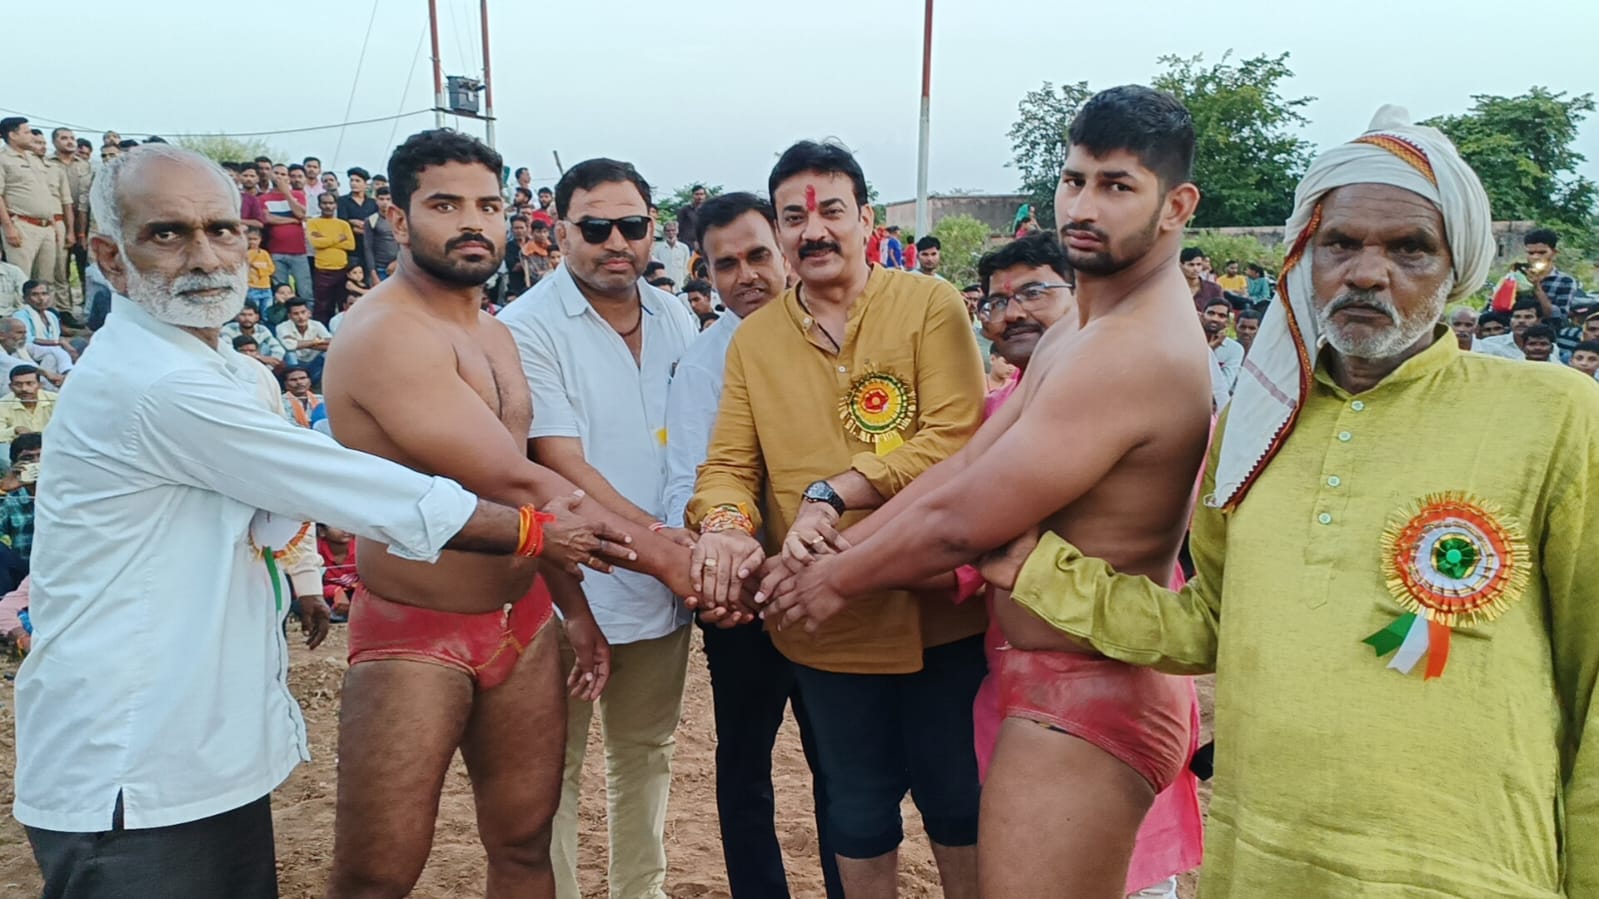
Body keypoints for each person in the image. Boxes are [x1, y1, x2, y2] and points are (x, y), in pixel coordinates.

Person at [982, 104, 1599, 897]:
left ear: (1457, 267)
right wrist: (1039, 571)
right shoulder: (1258, 421)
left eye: (1409, 247)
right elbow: (1209, 622)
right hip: (1263, 859)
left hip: (1464, 869)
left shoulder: (1553, 412)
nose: (1366, 272)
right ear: (1304, 255)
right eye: (1340, 243)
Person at [16, 142, 625, 899]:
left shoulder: (235, 373)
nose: (203, 255)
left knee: (523, 842)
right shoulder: (157, 384)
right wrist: (548, 535)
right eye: (166, 233)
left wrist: (306, 579)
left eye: (221, 229)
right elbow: (357, 488)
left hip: (205, 746)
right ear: (109, 256)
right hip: (131, 760)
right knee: (374, 876)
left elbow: (274, 515)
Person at [761, 86, 1213, 899]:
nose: (1083, 206)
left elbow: (960, 523)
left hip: (1089, 686)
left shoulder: (1135, 348)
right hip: (1047, 676)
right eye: (1074, 180)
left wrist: (829, 579)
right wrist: (836, 552)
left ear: (1176, 205)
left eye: (1116, 185)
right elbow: (963, 467)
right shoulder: (1084, 327)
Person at [319, 129, 700, 899]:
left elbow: (523, 505)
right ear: (396, 218)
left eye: (487, 205)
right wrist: (668, 556)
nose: (471, 222)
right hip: (416, 626)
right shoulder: (387, 331)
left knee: (526, 847)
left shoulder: (490, 330)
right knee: (378, 873)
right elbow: (515, 477)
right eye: (444, 204)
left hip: (520, 614)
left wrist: (572, 608)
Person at [687, 140, 988, 899]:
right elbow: (729, 464)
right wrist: (726, 525)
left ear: (866, 218)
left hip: (938, 611)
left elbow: (955, 438)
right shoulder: (754, 340)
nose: (813, 230)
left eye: (830, 211)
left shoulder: (929, 304)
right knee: (855, 807)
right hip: (826, 625)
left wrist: (836, 492)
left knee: (959, 802)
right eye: (794, 216)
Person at [499, 156, 702, 899]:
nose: (616, 241)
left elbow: (692, 439)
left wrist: (684, 539)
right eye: (595, 227)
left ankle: (639, 892)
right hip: (568, 582)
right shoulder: (525, 328)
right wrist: (661, 541)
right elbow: (560, 463)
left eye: (632, 225)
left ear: (654, 229)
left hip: (664, 583)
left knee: (647, 750)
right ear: (560, 233)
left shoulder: (675, 315)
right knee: (552, 765)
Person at [660, 191, 843, 899]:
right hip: (741, 599)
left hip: (830, 587)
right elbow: (689, 480)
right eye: (725, 264)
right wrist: (730, 567)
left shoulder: (843, 337)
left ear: (786, 248)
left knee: (842, 765)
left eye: (757, 255)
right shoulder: (703, 365)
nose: (746, 276)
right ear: (704, 273)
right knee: (744, 761)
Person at [0, 117, 70, 306]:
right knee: (22, 280)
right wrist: (8, 227)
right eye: (26, 132)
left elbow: (45, 194)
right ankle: (20, 321)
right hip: (22, 226)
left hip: (46, 227)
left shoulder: (34, 159)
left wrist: (53, 225)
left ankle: (45, 319)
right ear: (12, 135)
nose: (31, 136)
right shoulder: (3, 159)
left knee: (45, 282)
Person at [261, 163, 312, 300]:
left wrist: (286, 193)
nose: (279, 177)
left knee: (305, 289)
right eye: (276, 173)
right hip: (276, 251)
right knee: (280, 291)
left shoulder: (297, 195)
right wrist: (292, 220)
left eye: (283, 174)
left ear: (288, 178)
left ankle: (307, 313)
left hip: (299, 251)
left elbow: (300, 214)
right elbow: (267, 218)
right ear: (271, 175)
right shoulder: (263, 198)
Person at [308, 191, 355, 323]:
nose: (328, 206)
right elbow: (316, 243)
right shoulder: (313, 223)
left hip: (342, 270)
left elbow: (351, 245)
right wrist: (338, 239)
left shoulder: (343, 224)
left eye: (331, 203)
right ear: (319, 205)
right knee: (322, 306)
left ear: (335, 205)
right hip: (322, 270)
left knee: (343, 304)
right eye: (324, 203)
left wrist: (325, 240)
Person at [1517, 227, 1582, 320]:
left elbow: (1558, 317)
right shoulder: (1518, 277)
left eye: (1542, 253)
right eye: (1531, 253)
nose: (1535, 257)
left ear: (1554, 253)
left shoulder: (1565, 281)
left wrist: (1537, 287)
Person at [12, 280, 75, 376]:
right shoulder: (20, 315)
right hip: (27, 348)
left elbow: (55, 336)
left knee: (51, 357)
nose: (41, 298)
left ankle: (46, 382)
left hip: (47, 351)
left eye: (44, 294)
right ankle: (68, 372)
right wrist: (57, 343)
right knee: (58, 351)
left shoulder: (51, 316)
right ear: (25, 298)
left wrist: (59, 343)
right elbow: (27, 339)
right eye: (35, 295)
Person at [0, 430, 42, 567]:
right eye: (28, 458)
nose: (37, 462)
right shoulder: (11, 498)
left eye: (42, 456)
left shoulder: (68, 492)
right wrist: (3, 490)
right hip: (24, 569)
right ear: (14, 464)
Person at [276, 298, 332, 383]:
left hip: (313, 362)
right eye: (296, 314)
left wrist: (299, 343)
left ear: (309, 313)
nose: (301, 317)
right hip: (294, 363)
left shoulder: (317, 325)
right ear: (289, 316)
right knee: (290, 353)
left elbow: (331, 343)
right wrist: (317, 341)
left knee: (328, 354)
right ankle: (296, 381)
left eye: (303, 312)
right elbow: (289, 346)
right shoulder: (282, 327)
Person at [0, 365, 55, 448]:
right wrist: (15, 431)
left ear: (40, 385)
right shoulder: (2, 404)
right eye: (18, 384)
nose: (24, 389)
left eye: (30, 383)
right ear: (11, 387)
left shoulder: (56, 400)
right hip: (19, 452)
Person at [1475, 297, 1542, 360]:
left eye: (1528, 317)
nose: (1521, 321)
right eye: (1517, 317)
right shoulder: (1489, 344)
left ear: (1539, 321)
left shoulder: (1545, 346)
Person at [1202, 296, 1244, 393]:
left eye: (1221, 316)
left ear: (1227, 322)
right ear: (1202, 315)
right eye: (1211, 313)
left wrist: (1212, 348)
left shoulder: (1234, 349)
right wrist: (1211, 347)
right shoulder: (1188, 340)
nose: (1215, 319)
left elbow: (1224, 387)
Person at [318, 523, 358, 620]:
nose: (345, 529)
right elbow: (307, 585)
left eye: (348, 523)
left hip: (358, 593)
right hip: (327, 595)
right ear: (322, 531)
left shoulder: (361, 549)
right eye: (337, 524)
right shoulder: (315, 551)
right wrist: (335, 591)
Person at [366, 186, 402, 281]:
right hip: (380, 269)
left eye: (388, 199)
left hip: (400, 266)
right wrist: (373, 274)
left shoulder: (400, 219)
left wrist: (397, 261)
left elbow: (406, 244)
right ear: (376, 200)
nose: (385, 202)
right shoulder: (371, 220)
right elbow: (368, 247)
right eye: (381, 199)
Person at [651, 218, 692, 289]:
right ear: (664, 232)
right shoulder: (658, 249)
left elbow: (686, 267)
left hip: (679, 285)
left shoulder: (684, 248)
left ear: (677, 231)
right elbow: (655, 267)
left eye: (673, 230)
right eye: (668, 231)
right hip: (663, 286)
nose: (671, 233)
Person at [1181, 246, 1223, 311]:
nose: (1195, 269)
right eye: (1191, 265)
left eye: (1199, 264)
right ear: (1181, 265)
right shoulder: (1172, 289)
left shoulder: (1214, 289)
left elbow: (1221, 312)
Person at [245, 226, 275, 313]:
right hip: (252, 287)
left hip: (266, 287)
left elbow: (271, 269)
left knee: (267, 311)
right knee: (254, 311)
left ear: (260, 240)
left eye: (255, 239)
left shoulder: (264, 253)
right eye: (249, 239)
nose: (252, 242)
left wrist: (258, 268)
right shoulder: (244, 254)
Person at [677, 183, 709, 251]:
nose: (699, 197)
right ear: (692, 195)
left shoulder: (708, 210)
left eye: (701, 194)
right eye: (697, 194)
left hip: (704, 245)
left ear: (705, 196)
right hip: (686, 245)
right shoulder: (685, 210)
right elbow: (678, 228)